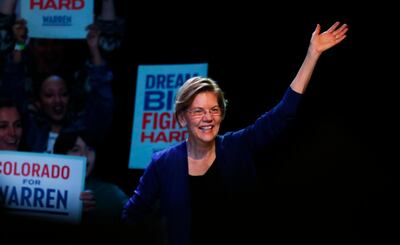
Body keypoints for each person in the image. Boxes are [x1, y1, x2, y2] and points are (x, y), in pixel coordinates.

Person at [122, 21, 349, 244]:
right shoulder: (163, 163)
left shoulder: (235, 146)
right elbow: (130, 217)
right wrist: (87, 205)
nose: (208, 118)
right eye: (198, 111)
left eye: (214, 110)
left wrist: (312, 54)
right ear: (182, 118)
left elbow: (282, 115)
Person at [53, 130, 129, 225]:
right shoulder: (49, 191)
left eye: (89, 149)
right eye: (75, 150)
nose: (84, 156)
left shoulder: (111, 193)